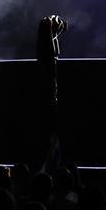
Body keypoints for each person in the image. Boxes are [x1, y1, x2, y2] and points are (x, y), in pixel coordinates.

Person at [36, 14, 67, 172]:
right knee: (51, 139)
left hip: (50, 97)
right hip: (48, 98)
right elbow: (51, 53)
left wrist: (55, 30)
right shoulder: (45, 59)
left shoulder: (47, 57)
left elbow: (54, 53)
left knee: (52, 140)